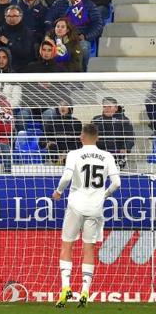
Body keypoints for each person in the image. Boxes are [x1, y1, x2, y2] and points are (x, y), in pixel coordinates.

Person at [52, 123, 121, 308]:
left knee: (67, 245)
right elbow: (116, 183)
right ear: (97, 138)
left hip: (75, 205)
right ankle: (85, 291)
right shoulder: (107, 156)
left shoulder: (74, 154)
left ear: (81, 137)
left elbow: (66, 178)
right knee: (88, 248)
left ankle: (66, 287)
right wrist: (103, 195)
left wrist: (58, 191)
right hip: (95, 208)